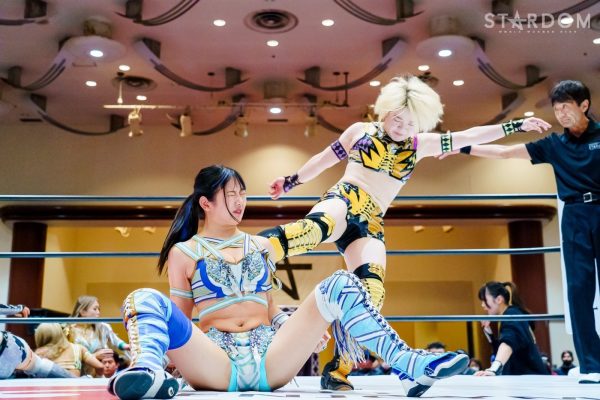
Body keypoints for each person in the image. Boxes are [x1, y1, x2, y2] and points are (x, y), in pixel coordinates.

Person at [260, 75, 551, 390]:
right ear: (385, 111)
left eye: (410, 123)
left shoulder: (420, 144)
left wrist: (515, 125)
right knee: (315, 228)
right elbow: (323, 159)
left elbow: (468, 136)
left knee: (371, 292)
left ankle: (338, 370)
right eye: (397, 120)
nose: (401, 128)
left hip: (371, 221)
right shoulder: (360, 131)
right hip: (345, 199)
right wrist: (291, 181)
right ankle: (256, 254)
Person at [107, 165, 469, 400]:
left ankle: (408, 365)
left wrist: (299, 327)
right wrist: (174, 360)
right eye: (231, 194)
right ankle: (147, 370)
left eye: (243, 193)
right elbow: (180, 317)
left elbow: (269, 306)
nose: (240, 201)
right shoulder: (183, 252)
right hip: (215, 363)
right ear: (206, 203)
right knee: (142, 298)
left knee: (341, 282)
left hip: (271, 358)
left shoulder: (261, 245)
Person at [448, 80, 600, 384]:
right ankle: (592, 366)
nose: (561, 114)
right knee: (578, 291)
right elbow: (505, 153)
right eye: (557, 109)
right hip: (573, 216)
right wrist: (462, 147)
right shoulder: (554, 144)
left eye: (566, 107)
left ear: (584, 105)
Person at [475, 281, 548, 376]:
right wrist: (489, 333)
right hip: (523, 377)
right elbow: (504, 350)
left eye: (485, 300)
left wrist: (493, 369)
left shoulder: (512, 315)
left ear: (499, 299)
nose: (482, 305)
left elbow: (508, 342)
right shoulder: (510, 315)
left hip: (530, 379)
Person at [0, 304, 73, 379]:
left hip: (11, 349)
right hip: (12, 350)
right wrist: (19, 308)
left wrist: (19, 309)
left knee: (38, 365)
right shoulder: (71, 347)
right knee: (39, 365)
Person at [67, 295, 130, 376]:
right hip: (77, 373)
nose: (98, 312)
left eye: (99, 309)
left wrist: (126, 346)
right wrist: (94, 356)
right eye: (95, 309)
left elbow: (115, 340)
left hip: (97, 374)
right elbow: (69, 357)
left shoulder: (102, 327)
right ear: (82, 312)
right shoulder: (69, 330)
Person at [35, 323, 103, 377]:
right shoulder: (79, 348)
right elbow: (100, 367)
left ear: (40, 336)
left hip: (49, 389)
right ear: (61, 333)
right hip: (74, 388)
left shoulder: (39, 354)